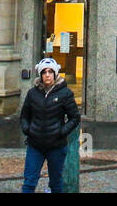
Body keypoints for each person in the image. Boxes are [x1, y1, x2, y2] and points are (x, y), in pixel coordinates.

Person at [20, 57, 81, 193]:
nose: (47, 75)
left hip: (56, 146)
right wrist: (27, 129)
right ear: (40, 75)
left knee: (56, 183)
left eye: (50, 72)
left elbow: (75, 117)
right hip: (35, 145)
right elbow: (24, 115)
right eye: (44, 72)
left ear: (55, 74)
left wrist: (61, 131)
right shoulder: (32, 93)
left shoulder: (65, 93)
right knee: (29, 182)